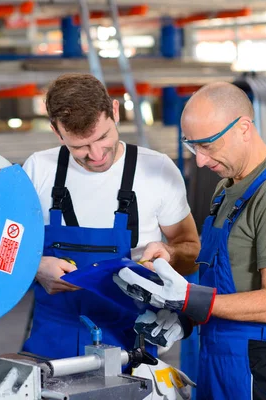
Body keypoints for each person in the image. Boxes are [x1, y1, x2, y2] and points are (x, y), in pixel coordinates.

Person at [114, 81, 266, 399]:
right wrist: (184, 314)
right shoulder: (227, 188)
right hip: (214, 355)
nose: (199, 160)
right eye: (193, 146)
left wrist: (191, 300)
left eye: (208, 145)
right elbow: (227, 276)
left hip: (256, 366)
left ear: (244, 128)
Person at [21, 73, 200, 360]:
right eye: (79, 146)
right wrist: (35, 266)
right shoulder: (38, 170)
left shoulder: (157, 170)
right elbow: (4, 252)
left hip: (132, 349)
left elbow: (191, 251)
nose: (96, 155)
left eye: (103, 137)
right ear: (57, 131)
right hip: (50, 346)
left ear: (115, 111)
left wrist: (169, 254)